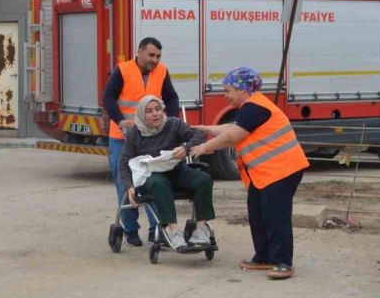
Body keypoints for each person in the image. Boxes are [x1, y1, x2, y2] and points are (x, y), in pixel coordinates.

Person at [190, 67, 309, 280]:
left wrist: (204, 148)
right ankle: (264, 257)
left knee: (275, 216)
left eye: (228, 90)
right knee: (257, 213)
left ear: (242, 89)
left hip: (283, 170)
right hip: (266, 173)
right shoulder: (249, 108)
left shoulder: (255, 107)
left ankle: (283, 262)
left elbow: (231, 137)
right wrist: (206, 129)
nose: (225, 95)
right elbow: (231, 127)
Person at [103, 37, 180, 246]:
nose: (154, 60)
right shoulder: (123, 70)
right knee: (125, 183)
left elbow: (172, 98)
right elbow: (108, 97)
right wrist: (120, 120)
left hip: (152, 138)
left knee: (154, 181)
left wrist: (171, 121)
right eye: (151, 55)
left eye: (158, 56)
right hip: (122, 138)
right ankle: (130, 230)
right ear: (139, 52)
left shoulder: (162, 71)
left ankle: (157, 230)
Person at [119, 95, 215, 250]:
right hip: (151, 175)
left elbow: (198, 134)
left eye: (158, 109)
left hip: (176, 170)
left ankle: (201, 230)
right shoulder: (134, 133)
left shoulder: (173, 124)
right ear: (142, 115)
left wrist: (185, 148)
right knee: (159, 183)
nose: (155, 114)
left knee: (204, 179)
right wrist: (129, 185)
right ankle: (174, 231)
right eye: (149, 111)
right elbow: (124, 163)